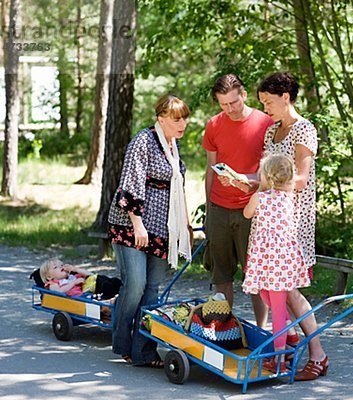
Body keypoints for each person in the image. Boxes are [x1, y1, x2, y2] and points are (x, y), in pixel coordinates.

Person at [108, 93, 193, 367]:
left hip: (162, 228)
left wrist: (187, 226)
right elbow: (130, 184)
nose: (182, 124)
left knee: (153, 290)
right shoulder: (143, 142)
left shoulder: (174, 147)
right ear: (161, 119)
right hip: (132, 223)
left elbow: (178, 189)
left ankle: (143, 350)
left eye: (185, 119)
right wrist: (137, 224)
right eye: (176, 119)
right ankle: (122, 342)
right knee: (135, 285)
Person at [257, 71, 328, 380]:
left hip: (292, 221)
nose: (265, 109)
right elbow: (265, 175)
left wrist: (264, 185)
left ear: (285, 97)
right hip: (269, 221)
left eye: (269, 102)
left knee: (288, 290)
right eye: (261, 103)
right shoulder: (271, 132)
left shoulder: (304, 130)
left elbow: (299, 179)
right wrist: (245, 180)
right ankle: (289, 342)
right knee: (268, 288)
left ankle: (318, 356)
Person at [202, 74, 273, 329]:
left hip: (252, 209)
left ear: (243, 95)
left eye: (234, 102)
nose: (230, 109)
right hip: (220, 209)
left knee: (255, 277)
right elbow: (210, 169)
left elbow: (271, 172)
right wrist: (209, 211)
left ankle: (262, 330)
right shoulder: (213, 125)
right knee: (221, 276)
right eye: (223, 105)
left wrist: (246, 179)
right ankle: (223, 332)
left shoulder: (265, 123)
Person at [241, 153, 310, 373]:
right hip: (276, 260)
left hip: (274, 261)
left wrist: (259, 190)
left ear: (267, 176)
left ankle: (279, 357)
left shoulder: (261, 198)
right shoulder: (288, 198)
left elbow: (246, 214)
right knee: (264, 294)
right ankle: (290, 334)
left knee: (277, 309)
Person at [39, 258, 121, 300]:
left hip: (86, 293)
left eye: (61, 265)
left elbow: (90, 275)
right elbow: (60, 291)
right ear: (49, 276)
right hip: (76, 299)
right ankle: (109, 299)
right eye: (55, 267)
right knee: (100, 293)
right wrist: (74, 283)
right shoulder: (53, 283)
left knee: (102, 279)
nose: (61, 267)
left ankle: (117, 287)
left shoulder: (72, 277)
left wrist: (75, 269)